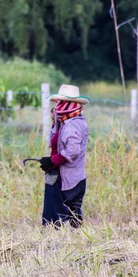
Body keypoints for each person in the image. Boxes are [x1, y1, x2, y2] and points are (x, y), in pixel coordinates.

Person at [39, 84, 89, 228]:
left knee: (62, 214)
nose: (57, 106)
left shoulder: (72, 125)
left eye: (61, 103)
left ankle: (62, 240)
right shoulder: (64, 121)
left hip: (69, 176)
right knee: (67, 213)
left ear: (70, 105)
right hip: (61, 173)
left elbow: (72, 151)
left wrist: (52, 161)